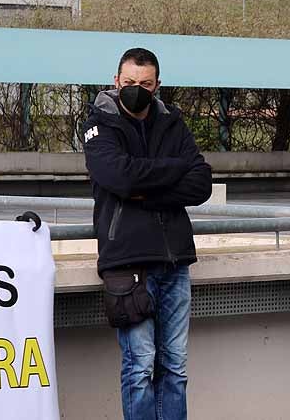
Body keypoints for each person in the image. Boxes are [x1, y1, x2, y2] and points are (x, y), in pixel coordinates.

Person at [83, 48, 213, 420]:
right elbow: (119, 177)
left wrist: (145, 187)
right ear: (115, 82)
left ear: (157, 85)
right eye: (129, 83)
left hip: (175, 262)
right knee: (139, 368)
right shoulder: (99, 124)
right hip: (127, 263)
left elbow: (200, 182)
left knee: (176, 367)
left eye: (145, 84)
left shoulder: (172, 122)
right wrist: (174, 170)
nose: (136, 89)